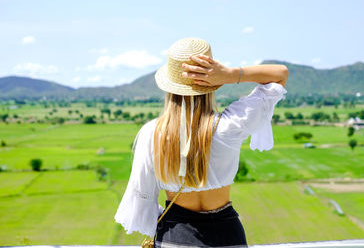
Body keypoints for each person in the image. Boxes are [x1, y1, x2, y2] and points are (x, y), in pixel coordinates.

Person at [114, 37, 289, 248]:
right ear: (212, 85)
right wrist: (232, 74)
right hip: (227, 235)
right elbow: (280, 75)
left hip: (174, 234)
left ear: (170, 89)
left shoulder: (152, 133)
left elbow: (142, 196)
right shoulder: (230, 126)